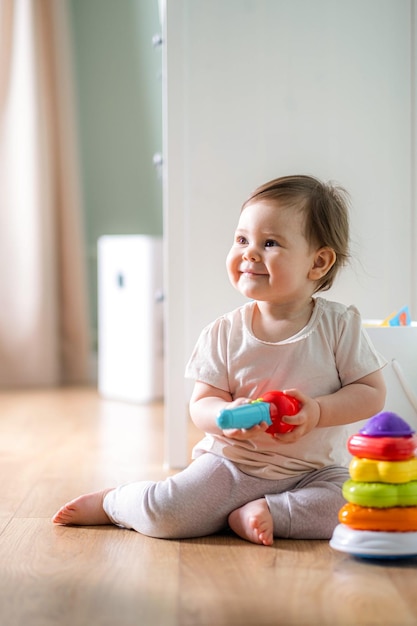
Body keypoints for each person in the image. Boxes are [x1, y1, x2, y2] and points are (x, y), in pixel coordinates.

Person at [53, 174, 386, 546]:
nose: (249, 253)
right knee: (169, 513)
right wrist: (226, 418)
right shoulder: (224, 333)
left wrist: (319, 412)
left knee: (350, 509)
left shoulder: (339, 326)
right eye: (242, 240)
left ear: (318, 262)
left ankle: (266, 512)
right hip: (232, 464)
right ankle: (116, 503)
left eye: (270, 242)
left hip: (315, 472)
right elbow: (200, 406)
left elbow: (371, 392)